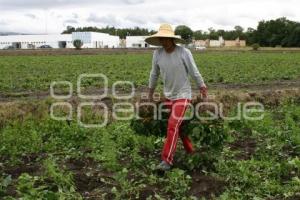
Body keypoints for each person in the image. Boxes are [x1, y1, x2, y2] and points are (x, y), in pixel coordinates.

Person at [145, 24, 208, 171]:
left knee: (173, 124)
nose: (164, 41)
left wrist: (202, 88)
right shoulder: (157, 54)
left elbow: (194, 72)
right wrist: (149, 93)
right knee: (179, 127)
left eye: (167, 39)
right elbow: (154, 74)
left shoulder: (183, 52)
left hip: (183, 96)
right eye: (162, 39)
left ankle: (167, 160)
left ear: (172, 39)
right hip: (169, 96)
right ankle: (191, 151)